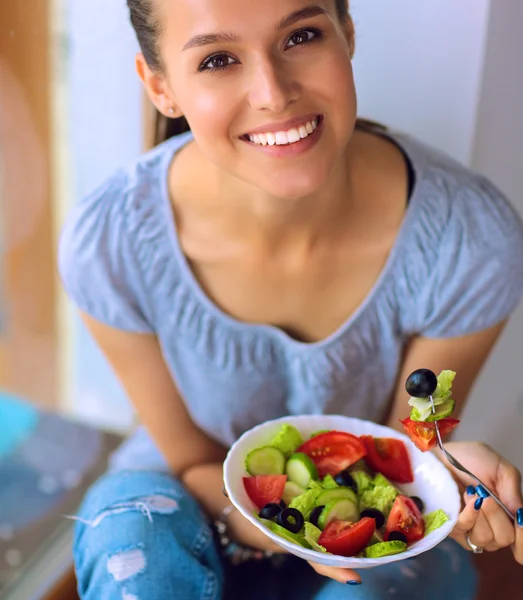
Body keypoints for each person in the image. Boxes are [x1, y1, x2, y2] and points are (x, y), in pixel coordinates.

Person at [58, 1, 523, 598]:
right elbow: (188, 459)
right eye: (218, 59)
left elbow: (402, 452)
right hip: (187, 501)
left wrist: (449, 478)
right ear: (161, 86)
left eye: (301, 35)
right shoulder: (109, 242)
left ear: (347, 33)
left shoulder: (471, 242)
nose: (273, 94)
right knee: (131, 541)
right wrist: (275, 527)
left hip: (362, 532)